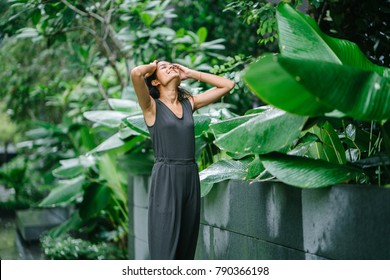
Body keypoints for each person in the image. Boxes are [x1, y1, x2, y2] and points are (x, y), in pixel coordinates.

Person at [131, 60, 234, 260]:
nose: (170, 67)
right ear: (154, 82)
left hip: (190, 177)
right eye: (164, 67)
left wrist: (191, 72)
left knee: (186, 250)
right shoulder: (151, 107)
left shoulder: (189, 104)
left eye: (172, 65)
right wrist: (153, 66)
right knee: (165, 248)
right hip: (166, 178)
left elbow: (227, 85)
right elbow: (136, 73)